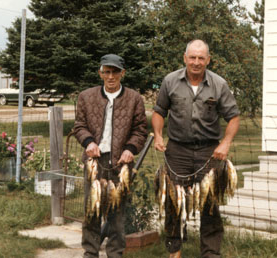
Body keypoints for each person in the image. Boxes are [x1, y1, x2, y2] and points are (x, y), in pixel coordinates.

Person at [152, 39, 240, 258]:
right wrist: (158, 135)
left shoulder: (219, 84)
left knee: (210, 204)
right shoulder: (170, 81)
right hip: (177, 151)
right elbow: (159, 111)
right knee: (175, 201)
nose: (196, 62)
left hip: (209, 153)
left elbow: (234, 117)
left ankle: (210, 253)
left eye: (201, 58)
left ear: (208, 60)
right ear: (185, 58)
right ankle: (175, 250)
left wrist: (225, 143)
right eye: (192, 57)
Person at [74, 54, 148, 258]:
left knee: (117, 212)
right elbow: (79, 125)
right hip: (95, 162)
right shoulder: (86, 97)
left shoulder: (134, 98)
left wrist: (130, 149)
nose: (111, 76)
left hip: (120, 163)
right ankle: (90, 252)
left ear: (123, 73)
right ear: (100, 73)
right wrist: (88, 142)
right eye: (107, 71)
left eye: (115, 72)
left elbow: (141, 130)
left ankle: (115, 253)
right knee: (92, 209)